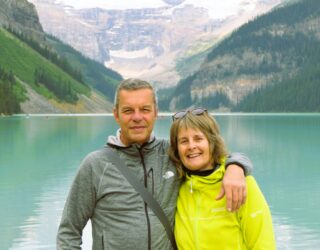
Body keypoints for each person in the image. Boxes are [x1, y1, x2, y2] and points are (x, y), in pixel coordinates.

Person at [56, 78, 253, 250]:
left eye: (145, 109)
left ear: (155, 113)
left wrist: (236, 167)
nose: (137, 117)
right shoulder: (96, 165)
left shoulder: (172, 153)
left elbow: (212, 157)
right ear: (116, 115)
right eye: (128, 111)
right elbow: (68, 232)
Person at [168, 108, 276, 249]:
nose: (191, 146)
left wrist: (236, 166)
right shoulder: (177, 186)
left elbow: (263, 243)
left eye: (198, 139)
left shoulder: (241, 183)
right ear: (177, 149)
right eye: (183, 141)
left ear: (212, 142)